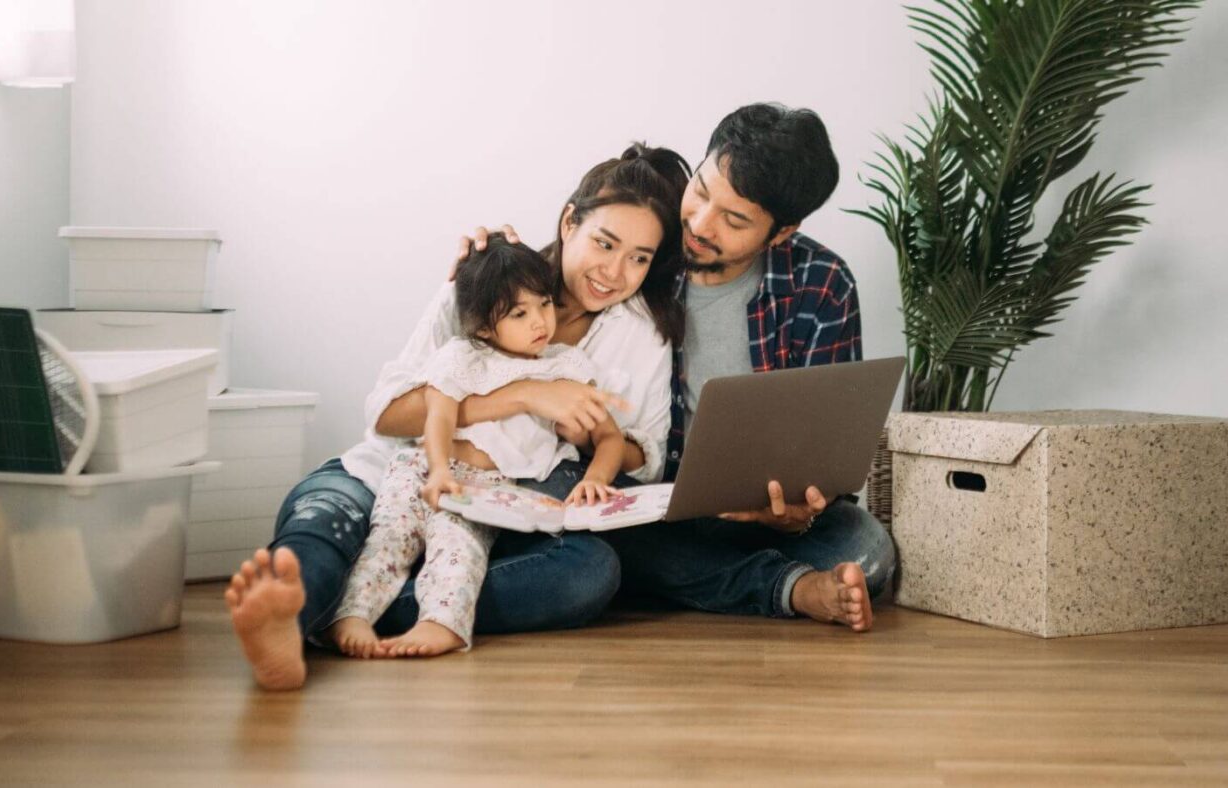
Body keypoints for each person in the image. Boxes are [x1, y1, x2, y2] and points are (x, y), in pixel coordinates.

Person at [224, 143, 689, 690]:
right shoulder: (482, 282)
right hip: (399, 472)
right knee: (326, 521)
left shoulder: (640, 333)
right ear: (569, 222)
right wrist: (523, 396)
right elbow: (389, 416)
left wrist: (586, 441)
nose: (614, 271)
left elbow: (646, 456)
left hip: (496, 509)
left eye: (639, 257)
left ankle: (354, 613)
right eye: (604, 243)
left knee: (589, 573)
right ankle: (292, 614)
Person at [487, 103, 897, 633]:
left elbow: (830, 451)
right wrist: (488, 259)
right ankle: (784, 587)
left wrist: (802, 510)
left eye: (734, 220)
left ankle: (701, 578)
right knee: (600, 534)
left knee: (868, 552)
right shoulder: (646, 256)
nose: (700, 226)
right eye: (701, 191)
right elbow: (561, 272)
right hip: (649, 507)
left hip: (761, 518)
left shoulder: (821, 284)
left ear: (780, 233)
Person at [328, 237, 629, 659]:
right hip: (423, 469)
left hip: (485, 489)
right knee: (390, 539)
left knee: (460, 551)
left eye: (544, 304)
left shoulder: (565, 367)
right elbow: (439, 414)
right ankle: (351, 615)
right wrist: (437, 469)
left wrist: (596, 479)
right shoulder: (463, 356)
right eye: (519, 314)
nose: (540, 321)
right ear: (486, 325)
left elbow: (609, 437)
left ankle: (440, 624)